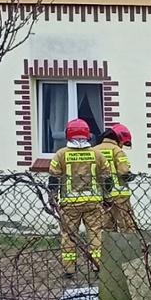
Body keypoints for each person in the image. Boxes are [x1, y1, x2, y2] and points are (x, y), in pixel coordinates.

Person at [48, 119, 109, 278]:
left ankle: (69, 270)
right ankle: (97, 268)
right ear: (87, 134)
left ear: (68, 134)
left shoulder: (61, 154)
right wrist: (107, 197)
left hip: (69, 204)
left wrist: (52, 198)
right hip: (93, 203)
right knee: (95, 235)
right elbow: (107, 177)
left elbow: (53, 179)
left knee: (68, 236)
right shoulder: (97, 154)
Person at [98, 123, 138, 232]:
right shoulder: (117, 151)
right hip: (119, 195)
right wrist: (131, 175)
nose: (122, 145)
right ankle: (131, 247)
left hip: (101, 196)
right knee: (128, 226)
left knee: (107, 227)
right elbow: (123, 172)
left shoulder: (94, 150)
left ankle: (108, 248)